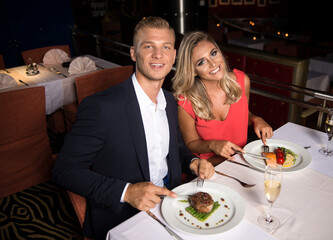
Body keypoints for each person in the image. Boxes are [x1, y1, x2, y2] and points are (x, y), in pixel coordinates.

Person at [52, 17, 214, 240]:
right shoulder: (101, 107)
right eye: (149, 47)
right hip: (124, 218)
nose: (158, 55)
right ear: (133, 53)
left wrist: (192, 161)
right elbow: (64, 170)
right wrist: (126, 192)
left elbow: (174, 147)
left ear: (174, 55)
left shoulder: (169, 101)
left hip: (171, 207)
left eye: (165, 47)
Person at [172, 31, 273, 161]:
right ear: (193, 71)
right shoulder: (186, 101)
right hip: (210, 166)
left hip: (243, 158)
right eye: (201, 62)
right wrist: (213, 145)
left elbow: (242, 113)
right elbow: (191, 144)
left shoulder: (242, 81)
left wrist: (255, 119)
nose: (213, 63)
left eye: (213, 53)